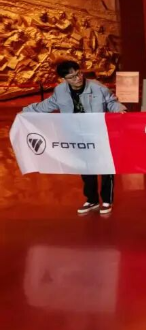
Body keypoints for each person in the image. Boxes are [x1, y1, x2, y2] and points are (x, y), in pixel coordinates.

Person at [23, 59, 126, 215]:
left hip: (99, 133)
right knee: (85, 167)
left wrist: (120, 109)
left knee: (106, 166)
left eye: (78, 74)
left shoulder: (98, 88)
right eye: (72, 77)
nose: (77, 79)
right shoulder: (60, 91)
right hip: (77, 135)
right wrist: (25, 111)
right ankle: (91, 200)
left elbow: (112, 102)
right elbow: (47, 105)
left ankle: (107, 200)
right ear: (64, 79)